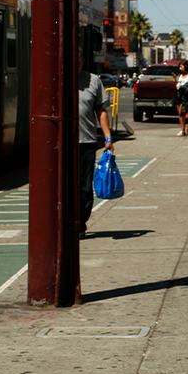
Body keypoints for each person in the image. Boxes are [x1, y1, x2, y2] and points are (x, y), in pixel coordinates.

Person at [78, 48, 114, 236]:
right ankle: (65, 222)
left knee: (84, 187)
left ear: (82, 60)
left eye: (77, 59)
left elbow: (101, 111)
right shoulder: (57, 79)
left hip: (86, 142)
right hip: (62, 145)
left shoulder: (94, 81)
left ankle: (80, 222)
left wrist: (108, 137)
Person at [174, 60, 188, 137]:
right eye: (179, 66)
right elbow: (177, 83)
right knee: (180, 113)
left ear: (186, 66)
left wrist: (184, 86)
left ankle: (182, 130)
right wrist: (176, 80)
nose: (180, 68)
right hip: (179, 94)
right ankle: (182, 129)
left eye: (181, 66)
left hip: (186, 95)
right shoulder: (180, 75)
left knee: (183, 112)